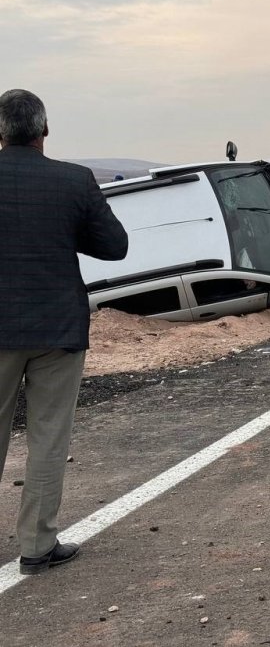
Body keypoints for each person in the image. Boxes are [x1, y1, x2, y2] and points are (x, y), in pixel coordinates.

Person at [0, 89, 128, 575]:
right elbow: (114, 247)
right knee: (48, 439)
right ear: (44, 131)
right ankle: (36, 546)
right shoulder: (74, 181)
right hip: (57, 327)